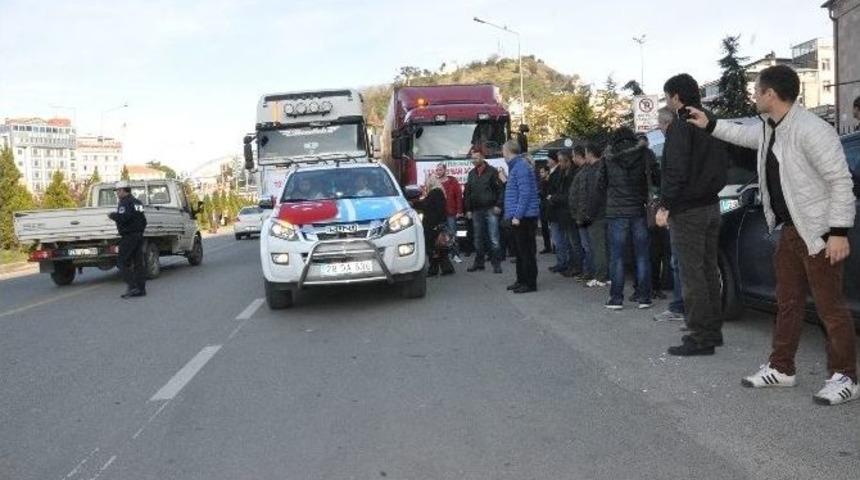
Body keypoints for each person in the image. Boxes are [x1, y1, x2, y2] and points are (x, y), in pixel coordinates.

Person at [687, 65, 858, 405]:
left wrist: (838, 232)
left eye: (756, 90)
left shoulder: (812, 130)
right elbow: (743, 136)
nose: (753, 96)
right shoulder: (770, 127)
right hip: (791, 231)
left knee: (831, 308)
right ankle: (782, 368)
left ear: (770, 94)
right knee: (788, 301)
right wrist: (710, 123)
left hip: (819, 231)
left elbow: (841, 182)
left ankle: (847, 377)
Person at [656, 73, 728, 356]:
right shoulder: (709, 120)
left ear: (676, 97)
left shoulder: (681, 126)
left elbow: (675, 170)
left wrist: (665, 205)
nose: (667, 102)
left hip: (688, 210)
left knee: (692, 274)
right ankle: (712, 331)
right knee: (709, 270)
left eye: (666, 97)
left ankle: (700, 336)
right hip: (712, 205)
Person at [601, 127, 653, 310]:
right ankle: (645, 297)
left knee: (617, 257)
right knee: (642, 255)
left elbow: (601, 183)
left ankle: (616, 298)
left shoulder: (608, 156)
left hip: (616, 212)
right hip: (639, 209)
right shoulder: (645, 153)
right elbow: (655, 176)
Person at [652, 107, 687, 323]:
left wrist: (664, 208)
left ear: (666, 124)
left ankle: (680, 307)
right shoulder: (685, 141)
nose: (659, 127)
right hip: (689, 209)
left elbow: (673, 179)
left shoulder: (674, 145)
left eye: (660, 124)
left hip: (681, 212)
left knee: (679, 262)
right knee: (682, 261)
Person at [503, 139, 541, 293]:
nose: (502, 153)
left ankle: (530, 283)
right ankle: (521, 280)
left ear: (508, 151)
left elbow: (525, 194)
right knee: (519, 252)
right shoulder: (516, 167)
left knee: (526, 252)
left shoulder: (521, 167)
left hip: (524, 217)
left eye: (503, 150)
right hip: (520, 216)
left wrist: (517, 215)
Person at [572, 140, 609, 288]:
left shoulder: (595, 170)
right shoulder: (601, 167)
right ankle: (604, 275)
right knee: (602, 246)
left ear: (590, 153)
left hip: (597, 215)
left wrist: (588, 214)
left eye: (586, 152)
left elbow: (593, 194)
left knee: (598, 247)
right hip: (604, 212)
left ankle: (601, 276)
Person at [463, 145, 504, 274]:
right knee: (477, 238)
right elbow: (468, 193)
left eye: (476, 158)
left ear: (482, 157)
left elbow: (500, 190)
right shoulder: (471, 173)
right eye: (472, 158)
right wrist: (468, 209)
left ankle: (496, 264)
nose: (474, 160)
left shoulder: (492, 171)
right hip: (476, 210)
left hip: (491, 209)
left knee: (494, 238)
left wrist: (498, 205)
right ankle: (479, 263)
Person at [108, 181, 148, 298]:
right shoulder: (138, 202)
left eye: (117, 191)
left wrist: (112, 216)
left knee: (122, 263)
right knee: (138, 263)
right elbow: (144, 220)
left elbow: (124, 218)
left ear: (122, 190)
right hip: (139, 235)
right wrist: (139, 231)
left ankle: (133, 286)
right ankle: (141, 289)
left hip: (129, 236)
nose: (117, 194)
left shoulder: (124, 203)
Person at [548, 149, 582, 277]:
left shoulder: (572, 173)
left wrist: (554, 198)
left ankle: (577, 266)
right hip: (563, 212)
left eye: (562, 161)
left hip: (569, 212)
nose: (560, 164)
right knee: (569, 241)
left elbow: (569, 195)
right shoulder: (563, 173)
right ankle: (571, 265)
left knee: (574, 242)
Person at [412, 175, 455, 277]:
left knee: (432, 248)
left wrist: (413, 204)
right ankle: (446, 268)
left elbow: (426, 205)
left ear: (431, 182)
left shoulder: (435, 192)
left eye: (427, 182)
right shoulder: (439, 192)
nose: (425, 185)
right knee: (440, 247)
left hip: (432, 224)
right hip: (437, 224)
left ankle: (433, 270)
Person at [545, 154, 569, 273]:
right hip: (554, 210)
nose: (547, 161)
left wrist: (551, 197)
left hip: (557, 210)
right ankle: (561, 262)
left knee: (559, 239)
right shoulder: (553, 173)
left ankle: (563, 262)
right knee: (557, 239)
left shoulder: (558, 173)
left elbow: (556, 191)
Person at [435, 163, 464, 263]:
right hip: (439, 214)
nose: (439, 171)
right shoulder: (435, 182)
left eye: (440, 169)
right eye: (437, 170)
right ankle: (444, 257)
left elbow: (459, 196)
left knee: (453, 234)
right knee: (441, 236)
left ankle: (455, 255)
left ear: (445, 170)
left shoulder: (452, 181)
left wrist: (459, 210)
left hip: (451, 212)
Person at [538, 165, 553, 254]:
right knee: (544, 228)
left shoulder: (549, 181)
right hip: (543, 207)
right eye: (540, 172)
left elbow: (545, 193)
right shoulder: (541, 181)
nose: (541, 174)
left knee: (552, 228)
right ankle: (547, 246)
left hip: (549, 206)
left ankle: (553, 246)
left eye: (542, 172)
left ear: (547, 172)